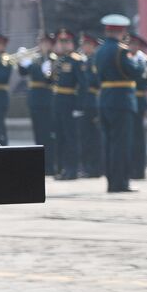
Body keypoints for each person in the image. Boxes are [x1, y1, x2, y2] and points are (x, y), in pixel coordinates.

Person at [93, 14, 140, 193]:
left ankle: (112, 181)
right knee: (121, 143)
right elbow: (133, 71)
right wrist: (140, 65)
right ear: (122, 31)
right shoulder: (121, 50)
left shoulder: (100, 51)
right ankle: (120, 183)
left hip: (105, 99)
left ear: (107, 30)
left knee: (109, 143)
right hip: (121, 101)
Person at [49, 29, 86, 180]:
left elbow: (83, 85)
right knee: (60, 136)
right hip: (58, 102)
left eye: (67, 42)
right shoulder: (59, 61)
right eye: (61, 42)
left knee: (71, 138)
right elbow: (53, 82)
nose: (63, 45)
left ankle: (72, 169)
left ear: (72, 43)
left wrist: (78, 106)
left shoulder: (76, 61)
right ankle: (62, 168)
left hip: (70, 101)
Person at [19, 32, 57, 173]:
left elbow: (48, 79)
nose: (43, 45)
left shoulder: (52, 59)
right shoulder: (35, 58)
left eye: (46, 42)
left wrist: (38, 68)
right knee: (37, 134)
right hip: (34, 99)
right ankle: (40, 163)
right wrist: (22, 63)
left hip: (46, 99)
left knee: (47, 134)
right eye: (41, 42)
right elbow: (23, 73)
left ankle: (50, 165)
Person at [77, 31, 105, 178]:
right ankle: (87, 166)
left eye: (87, 45)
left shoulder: (94, 61)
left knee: (94, 138)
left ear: (93, 46)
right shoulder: (85, 60)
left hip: (93, 101)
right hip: (85, 102)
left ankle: (95, 167)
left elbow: (95, 80)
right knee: (85, 137)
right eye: (83, 44)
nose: (84, 47)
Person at [128, 33, 147, 179]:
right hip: (128, 100)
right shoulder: (125, 59)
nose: (132, 47)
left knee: (138, 138)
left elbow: (144, 84)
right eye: (130, 44)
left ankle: (139, 170)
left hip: (139, 101)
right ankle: (130, 169)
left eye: (135, 44)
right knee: (128, 137)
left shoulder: (145, 60)